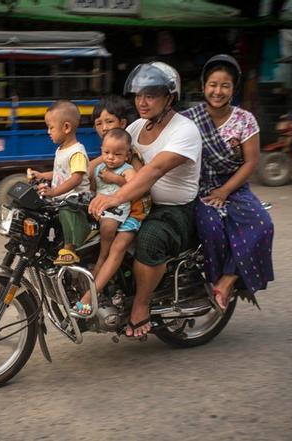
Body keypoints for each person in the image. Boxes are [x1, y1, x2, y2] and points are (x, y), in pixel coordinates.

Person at [89, 62, 202, 337]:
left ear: (169, 98)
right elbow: (109, 158)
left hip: (173, 211)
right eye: (139, 95)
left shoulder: (184, 130)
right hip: (137, 202)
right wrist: (69, 176)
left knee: (150, 239)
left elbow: (154, 170)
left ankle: (141, 305)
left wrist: (115, 197)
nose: (142, 101)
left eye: (150, 95)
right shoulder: (138, 127)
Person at [180, 54, 274, 310]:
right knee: (210, 225)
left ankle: (227, 279)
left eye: (225, 85)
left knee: (262, 224)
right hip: (199, 187)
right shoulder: (187, 119)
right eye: (212, 84)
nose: (217, 91)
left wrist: (225, 190)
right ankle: (210, 281)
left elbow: (251, 162)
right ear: (203, 86)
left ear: (233, 89)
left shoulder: (245, 120)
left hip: (234, 186)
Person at [75, 128, 137, 314]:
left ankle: (103, 256)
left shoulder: (127, 170)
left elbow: (134, 186)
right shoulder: (100, 168)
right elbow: (93, 187)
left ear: (127, 155)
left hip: (118, 211)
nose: (110, 158)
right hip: (100, 208)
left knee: (108, 228)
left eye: (117, 154)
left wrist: (116, 179)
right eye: (106, 153)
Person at [28, 100, 91, 265]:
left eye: (51, 127)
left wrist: (54, 192)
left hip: (77, 199)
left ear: (67, 127)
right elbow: (60, 173)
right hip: (64, 197)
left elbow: (76, 178)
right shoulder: (61, 149)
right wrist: (41, 175)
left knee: (66, 209)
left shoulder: (77, 152)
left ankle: (70, 249)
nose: (48, 132)